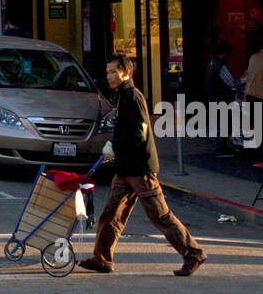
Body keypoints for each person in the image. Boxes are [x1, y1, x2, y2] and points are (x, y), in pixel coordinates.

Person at [78, 55, 206, 276]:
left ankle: (193, 253)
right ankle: (102, 258)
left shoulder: (133, 97)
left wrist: (117, 149)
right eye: (107, 72)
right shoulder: (121, 96)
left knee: (159, 215)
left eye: (113, 72)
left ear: (126, 73)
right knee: (111, 214)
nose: (108, 76)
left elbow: (140, 133)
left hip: (139, 169)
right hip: (125, 168)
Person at [205, 42, 238, 158]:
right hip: (222, 98)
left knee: (221, 123)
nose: (229, 56)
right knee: (224, 123)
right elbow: (231, 82)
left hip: (214, 98)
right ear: (224, 53)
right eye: (228, 53)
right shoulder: (220, 66)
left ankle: (221, 148)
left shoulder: (211, 64)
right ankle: (221, 149)